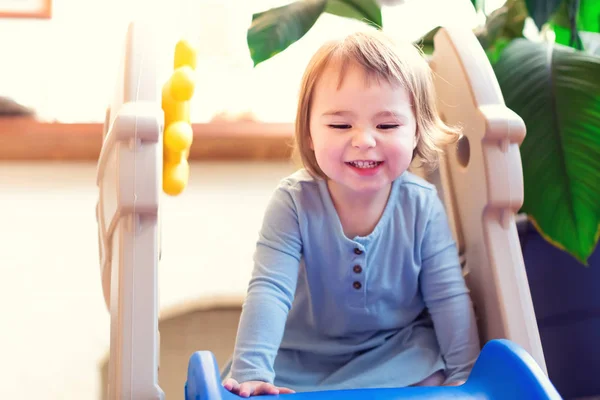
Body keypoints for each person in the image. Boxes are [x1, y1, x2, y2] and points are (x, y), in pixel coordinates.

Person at [223, 29, 480, 397]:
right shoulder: (293, 203)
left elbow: (448, 296)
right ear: (310, 132)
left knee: (432, 377)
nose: (363, 139)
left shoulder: (421, 205)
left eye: (387, 125)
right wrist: (252, 370)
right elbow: (269, 290)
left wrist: (466, 375)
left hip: (395, 350)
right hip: (302, 358)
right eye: (341, 125)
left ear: (416, 131)